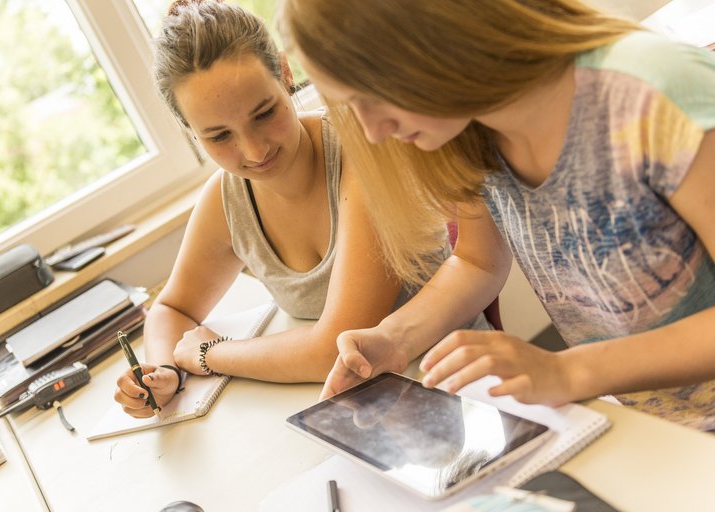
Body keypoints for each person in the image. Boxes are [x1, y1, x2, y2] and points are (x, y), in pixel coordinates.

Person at [280, 0, 715, 430]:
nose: (374, 131)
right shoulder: (470, 134)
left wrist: (570, 371)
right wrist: (395, 336)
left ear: (433, 37)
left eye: (371, 96)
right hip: (641, 428)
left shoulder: (655, 91)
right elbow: (477, 261)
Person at [114, 1, 486, 419]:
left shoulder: (362, 155)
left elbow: (335, 345)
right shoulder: (226, 198)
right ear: (190, 132)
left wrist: (210, 354)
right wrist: (163, 372)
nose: (254, 151)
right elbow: (172, 309)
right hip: (358, 408)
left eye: (265, 113)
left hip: (456, 390)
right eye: (219, 136)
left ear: (285, 73)